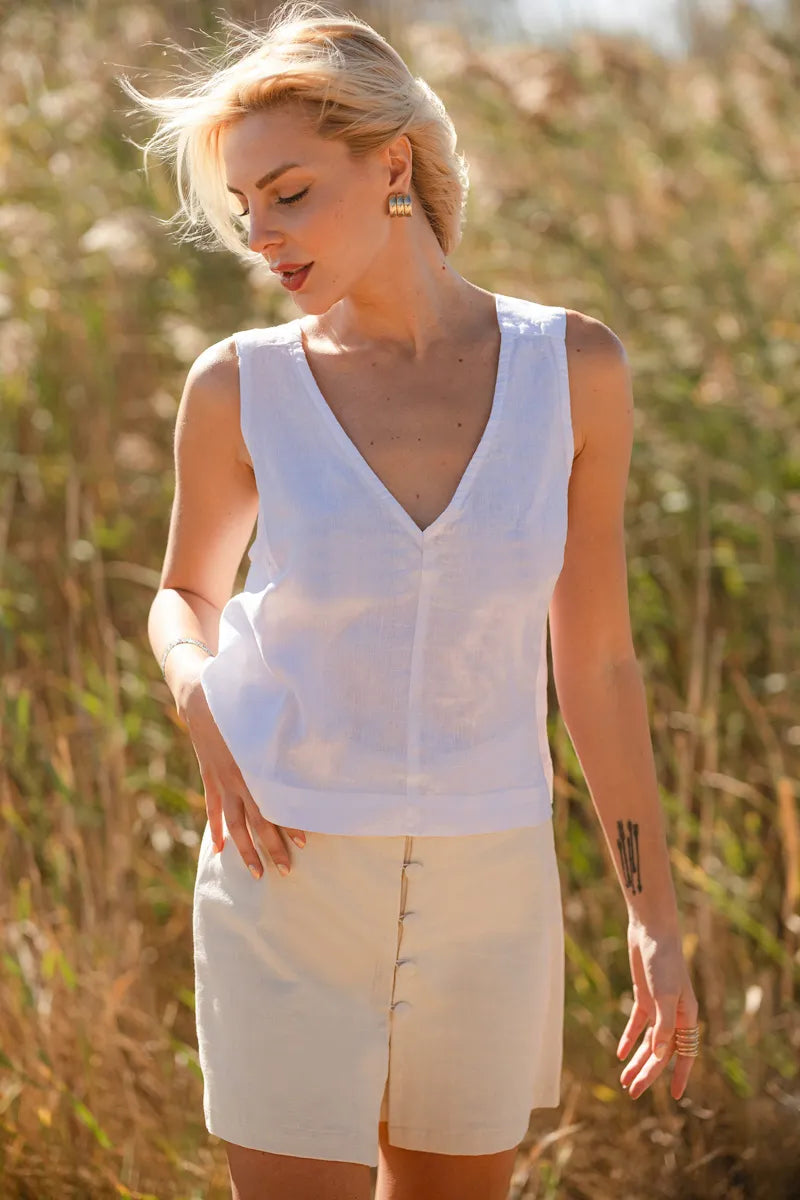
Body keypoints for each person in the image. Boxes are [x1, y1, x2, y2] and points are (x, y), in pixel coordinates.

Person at [122, 3, 700, 1197]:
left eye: (288, 193)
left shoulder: (571, 369)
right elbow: (184, 592)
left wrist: (652, 914)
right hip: (284, 870)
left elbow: (594, 662)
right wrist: (199, 703)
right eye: (245, 211)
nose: (262, 237)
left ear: (391, 163)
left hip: (490, 877)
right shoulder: (240, 386)